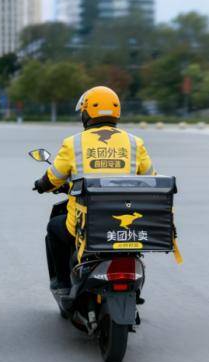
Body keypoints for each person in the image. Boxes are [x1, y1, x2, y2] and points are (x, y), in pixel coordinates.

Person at [32, 86, 155, 289]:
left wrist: (41, 184)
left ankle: (63, 284)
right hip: (125, 224)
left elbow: (53, 178)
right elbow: (152, 179)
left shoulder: (74, 143)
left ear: (87, 113)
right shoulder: (135, 143)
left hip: (85, 224)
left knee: (54, 227)